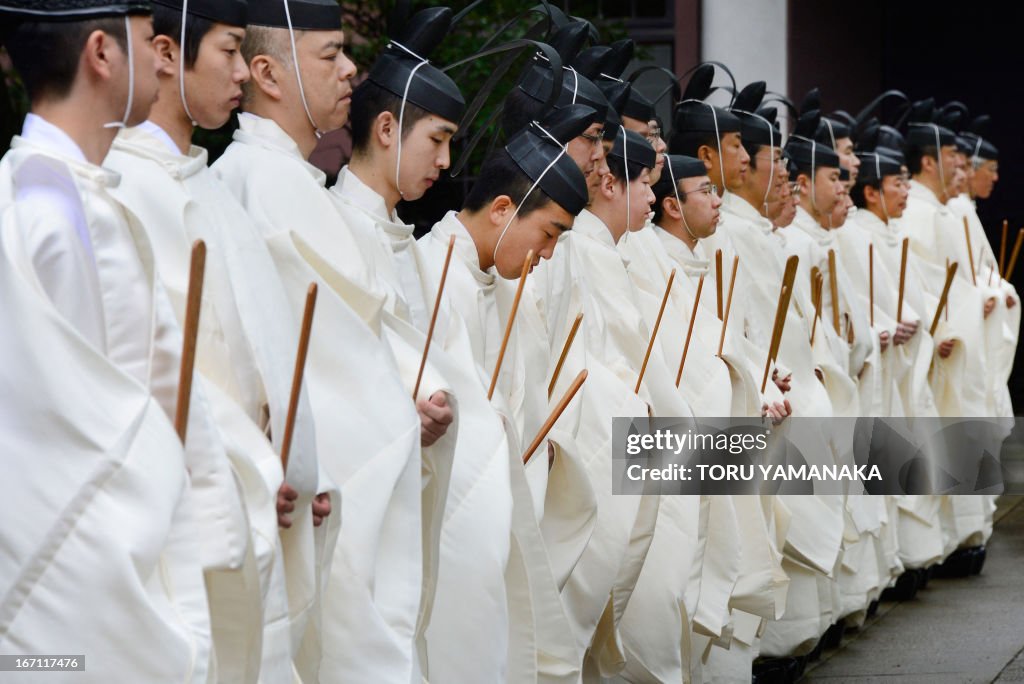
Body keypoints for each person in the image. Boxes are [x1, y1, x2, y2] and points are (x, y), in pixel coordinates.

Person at [102, 0, 335, 677]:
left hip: (260, 496)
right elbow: (157, 374)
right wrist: (248, 467)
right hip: (193, 513)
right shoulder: (125, 189)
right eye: (228, 52)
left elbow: (265, 345)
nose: (238, 74)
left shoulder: (205, 182)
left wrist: (300, 465)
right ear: (169, 55)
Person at [211, 1, 441, 680]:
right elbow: (301, 359)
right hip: (305, 483)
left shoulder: (281, 179)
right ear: (267, 73)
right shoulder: (256, 180)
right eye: (330, 54)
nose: (350, 71)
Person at [0, 2, 216, 680]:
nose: (164, 57)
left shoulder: (71, 194)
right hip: (71, 577)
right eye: (150, 41)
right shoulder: (45, 209)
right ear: (101, 53)